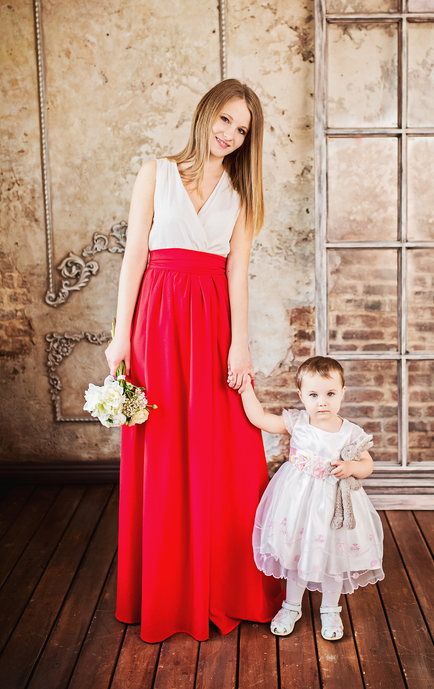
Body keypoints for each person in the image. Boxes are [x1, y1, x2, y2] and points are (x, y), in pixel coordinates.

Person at [105, 79, 284, 643]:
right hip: (156, 322)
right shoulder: (155, 174)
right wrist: (120, 337)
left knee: (224, 449)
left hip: (212, 324)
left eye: (242, 129)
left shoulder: (242, 193)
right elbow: (135, 257)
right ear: (206, 113)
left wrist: (240, 344)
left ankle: (224, 586)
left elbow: (237, 273)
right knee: (161, 447)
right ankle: (165, 591)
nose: (229, 134)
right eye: (225, 119)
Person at [232, 355, 384, 641]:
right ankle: (291, 606)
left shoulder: (350, 432)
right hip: (298, 501)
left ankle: (330, 609)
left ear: (342, 393)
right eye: (313, 395)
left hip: (334, 506)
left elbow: (368, 464)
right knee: (298, 551)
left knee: (333, 554)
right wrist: (245, 388)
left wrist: (352, 467)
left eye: (330, 394)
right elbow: (260, 419)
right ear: (301, 395)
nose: (322, 402)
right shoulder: (298, 422)